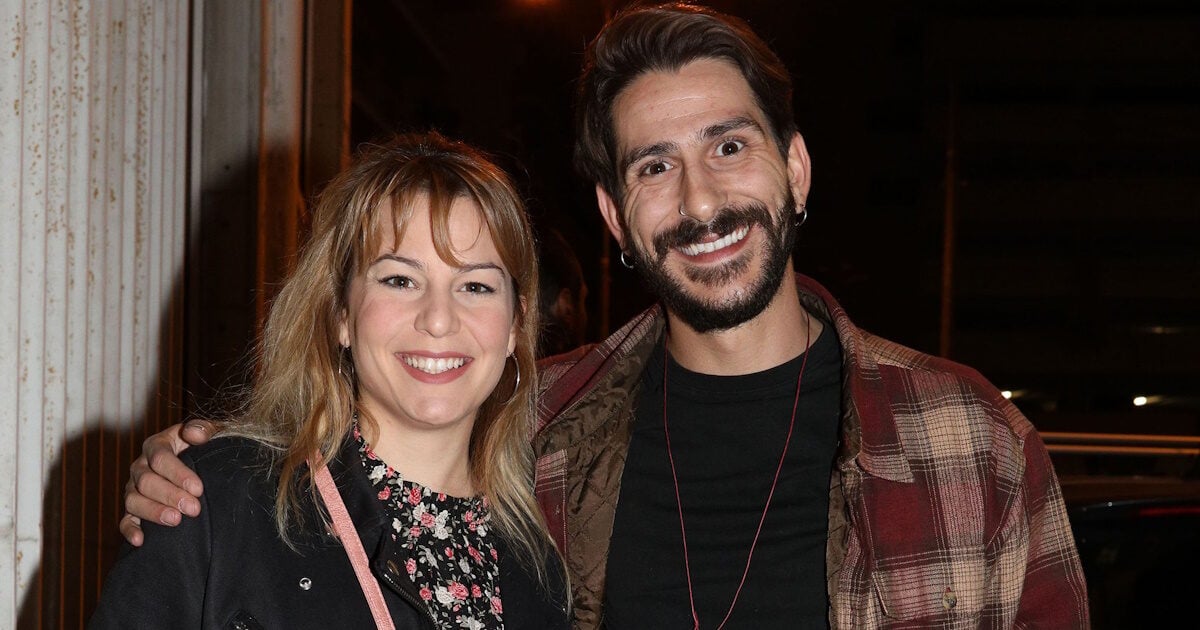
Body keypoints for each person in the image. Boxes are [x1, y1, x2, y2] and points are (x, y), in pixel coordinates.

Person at [119, 4, 1089, 628]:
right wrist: (206, 476)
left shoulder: (971, 441)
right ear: (617, 216)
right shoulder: (537, 431)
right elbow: (356, 468)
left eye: (729, 147)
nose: (701, 200)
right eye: (655, 166)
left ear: (795, 169)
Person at [92, 132, 568, 629]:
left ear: (515, 325)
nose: (438, 319)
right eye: (400, 280)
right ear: (341, 312)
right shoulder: (213, 503)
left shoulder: (544, 567)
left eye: (475, 286)